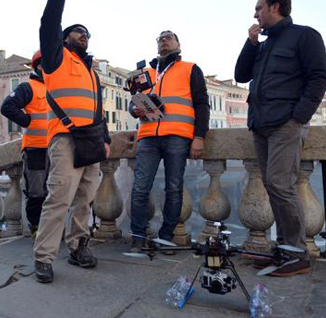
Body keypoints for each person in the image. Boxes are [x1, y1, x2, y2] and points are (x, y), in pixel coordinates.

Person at [234, 0, 326, 276]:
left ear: (275, 6)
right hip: (261, 124)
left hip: (285, 123)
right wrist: (250, 43)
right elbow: (240, 75)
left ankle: (298, 253)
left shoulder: (305, 35)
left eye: (259, 7)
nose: (255, 13)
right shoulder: (262, 45)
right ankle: (285, 249)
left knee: (280, 184)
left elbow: (320, 77)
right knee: (273, 186)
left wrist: (298, 116)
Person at [33, 0, 111, 283]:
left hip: (91, 140)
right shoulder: (56, 58)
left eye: (86, 33)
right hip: (65, 138)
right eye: (78, 32)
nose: (83, 35)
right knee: (59, 199)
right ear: (64, 38)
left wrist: (105, 140)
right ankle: (43, 257)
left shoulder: (92, 72)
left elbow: (98, 110)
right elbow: (49, 22)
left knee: (85, 199)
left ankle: (78, 247)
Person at [128, 31, 210, 253]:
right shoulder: (144, 72)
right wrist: (134, 109)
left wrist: (199, 137)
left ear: (178, 44)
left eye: (168, 37)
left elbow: (202, 104)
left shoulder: (190, 68)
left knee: (174, 189)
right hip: (148, 137)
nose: (164, 40)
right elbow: (133, 102)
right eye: (160, 38)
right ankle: (138, 238)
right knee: (139, 189)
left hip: (178, 135)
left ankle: (165, 238)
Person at [0, 50, 49, 238]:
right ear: (40, 66)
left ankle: (49, 227)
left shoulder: (56, 89)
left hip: (56, 147)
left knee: (54, 191)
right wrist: (27, 121)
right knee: (36, 192)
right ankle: (36, 227)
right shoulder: (28, 87)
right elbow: (7, 107)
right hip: (35, 148)